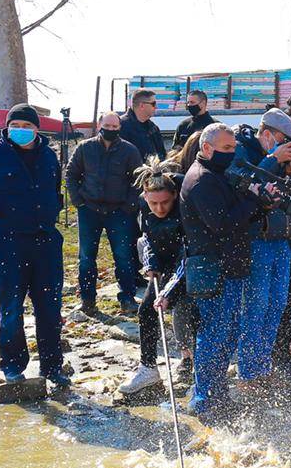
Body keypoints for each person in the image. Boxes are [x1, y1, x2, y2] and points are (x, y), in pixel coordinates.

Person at [0, 104, 69, 386]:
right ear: (8, 127)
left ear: (37, 129)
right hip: (9, 244)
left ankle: (52, 366)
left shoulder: (49, 156)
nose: (21, 131)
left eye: (27, 126)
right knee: (11, 307)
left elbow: (55, 191)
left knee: (49, 306)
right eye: (16, 125)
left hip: (45, 242)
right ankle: (12, 365)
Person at [180, 124, 263, 413]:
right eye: (227, 148)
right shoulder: (201, 180)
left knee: (227, 333)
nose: (232, 153)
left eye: (234, 147)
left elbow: (237, 216)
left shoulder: (216, 175)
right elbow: (223, 224)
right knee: (214, 334)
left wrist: (257, 203)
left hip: (229, 266)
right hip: (214, 269)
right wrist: (251, 200)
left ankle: (216, 392)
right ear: (206, 148)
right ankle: (204, 397)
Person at [235, 108, 291, 378]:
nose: (287, 149)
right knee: (256, 306)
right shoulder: (242, 151)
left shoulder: (276, 159)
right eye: (282, 142)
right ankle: (248, 370)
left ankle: (263, 364)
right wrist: (271, 160)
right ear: (266, 134)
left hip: (280, 240)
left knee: (277, 304)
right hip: (257, 240)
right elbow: (246, 188)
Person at [120, 161, 196, 395]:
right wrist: (150, 263)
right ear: (145, 196)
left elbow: (184, 258)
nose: (160, 208)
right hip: (162, 266)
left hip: (187, 268)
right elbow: (147, 238)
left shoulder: (185, 210)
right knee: (146, 311)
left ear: (174, 195)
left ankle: (199, 368)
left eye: (165, 202)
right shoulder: (144, 207)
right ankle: (149, 368)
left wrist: (167, 292)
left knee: (188, 313)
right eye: (154, 203)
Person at [66, 112, 144, 317]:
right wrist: (78, 201)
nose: (110, 129)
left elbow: (138, 180)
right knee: (86, 257)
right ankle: (88, 299)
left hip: (119, 211)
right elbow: (71, 174)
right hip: (89, 209)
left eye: (114, 126)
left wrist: (129, 206)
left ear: (119, 127)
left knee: (123, 256)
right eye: (107, 125)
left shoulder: (129, 150)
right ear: (100, 125)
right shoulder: (85, 148)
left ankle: (127, 298)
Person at [122, 89, 167, 162]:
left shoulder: (153, 128)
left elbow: (162, 154)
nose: (156, 107)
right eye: (153, 104)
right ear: (142, 105)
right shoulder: (121, 126)